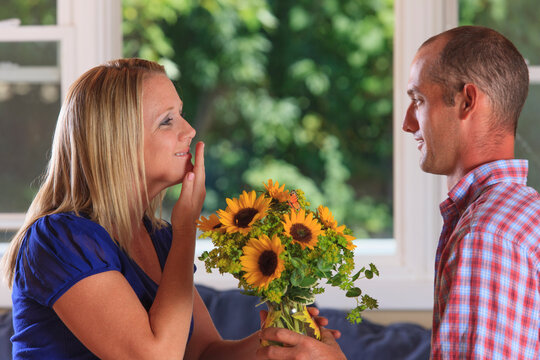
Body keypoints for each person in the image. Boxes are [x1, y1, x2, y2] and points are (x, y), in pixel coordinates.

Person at [258, 26, 540, 359]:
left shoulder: (487, 236)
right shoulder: (523, 213)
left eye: (418, 100)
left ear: (466, 101)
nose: (407, 123)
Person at [1, 58, 265, 359]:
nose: (189, 130)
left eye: (180, 114)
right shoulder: (59, 240)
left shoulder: (160, 239)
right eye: (167, 121)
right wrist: (186, 226)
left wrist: (275, 343)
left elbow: (202, 352)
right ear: (118, 142)